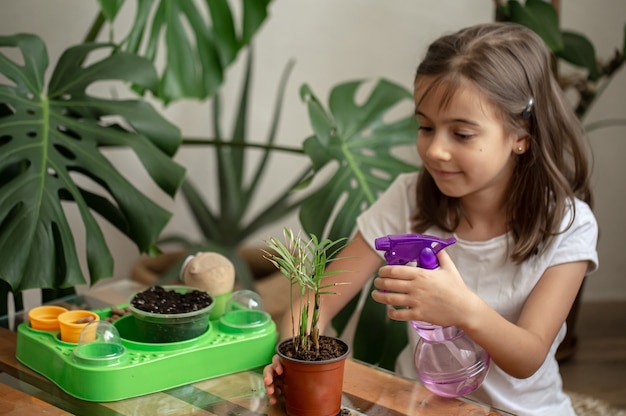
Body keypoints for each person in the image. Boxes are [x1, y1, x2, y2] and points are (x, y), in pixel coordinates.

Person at [263, 21, 598, 416]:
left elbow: (528, 357)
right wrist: (292, 357)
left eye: (461, 134)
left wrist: (461, 308)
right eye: (425, 127)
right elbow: (314, 305)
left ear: (520, 134)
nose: (435, 150)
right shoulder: (408, 199)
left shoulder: (569, 224)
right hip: (417, 405)